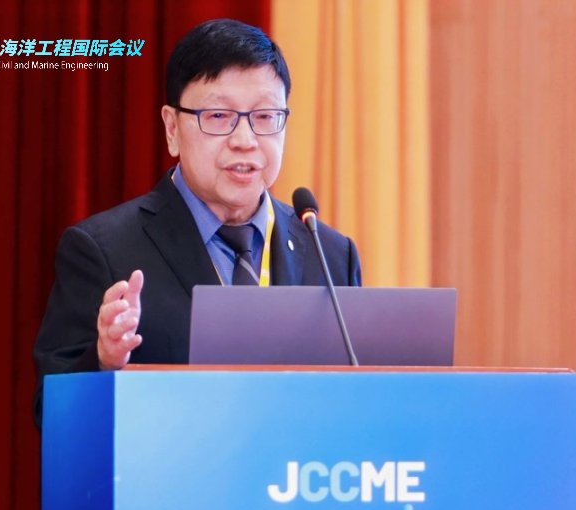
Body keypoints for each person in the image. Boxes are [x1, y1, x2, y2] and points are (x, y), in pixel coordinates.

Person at [33, 18, 361, 420]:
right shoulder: (103, 250)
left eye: (265, 116)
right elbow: (51, 413)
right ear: (172, 128)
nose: (245, 140)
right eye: (219, 116)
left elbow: (353, 404)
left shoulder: (331, 255)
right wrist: (102, 362)